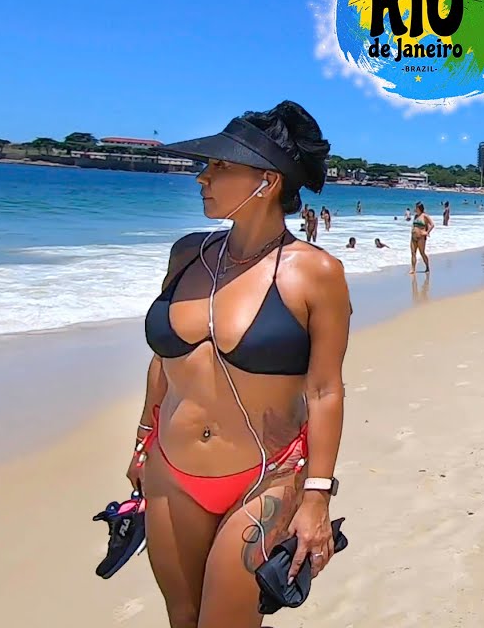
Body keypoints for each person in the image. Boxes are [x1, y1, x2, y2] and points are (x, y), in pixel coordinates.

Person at [137, 100, 350, 628]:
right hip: (170, 471)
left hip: (264, 481)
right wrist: (141, 441)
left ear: (267, 181)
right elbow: (163, 361)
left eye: (220, 167)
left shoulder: (314, 273)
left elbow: (325, 391)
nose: (202, 178)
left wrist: (317, 497)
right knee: (182, 617)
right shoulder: (187, 254)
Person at [409, 202, 435, 274]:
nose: (415, 208)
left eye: (416, 207)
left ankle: (427, 267)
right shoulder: (415, 216)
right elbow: (414, 225)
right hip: (413, 238)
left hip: (421, 238)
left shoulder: (424, 216)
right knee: (413, 253)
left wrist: (427, 232)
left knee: (422, 253)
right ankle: (413, 269)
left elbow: (432, 225)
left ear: (419, 208)